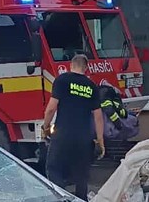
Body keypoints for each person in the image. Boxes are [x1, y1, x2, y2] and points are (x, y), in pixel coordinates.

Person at [41, 54, 106, 200]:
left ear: (71, 65)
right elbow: (98, 116)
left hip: (62, 136)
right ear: (86, 68)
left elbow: (51, 108)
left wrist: (45, 128)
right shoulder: (92, 87)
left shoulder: (62, 80)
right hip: (84, 139)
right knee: (81, 175)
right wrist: (100, 140)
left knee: (53, 168)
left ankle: (60, 197)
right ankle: (81, 199)